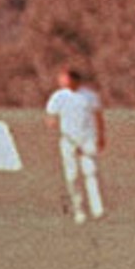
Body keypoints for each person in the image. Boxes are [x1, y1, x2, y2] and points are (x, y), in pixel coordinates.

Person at [45, 67, 107, 223]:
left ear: (74, 80)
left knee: (90, 172)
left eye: (64, 78)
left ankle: (97, 209)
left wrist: (101, 137)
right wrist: (52, 123)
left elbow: (98, 117)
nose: (61, 81)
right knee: (72, 176)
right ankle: (79, 209)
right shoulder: (58, 97)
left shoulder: (90, 96)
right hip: (69, 141)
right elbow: (51, 116)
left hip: (87, 139)